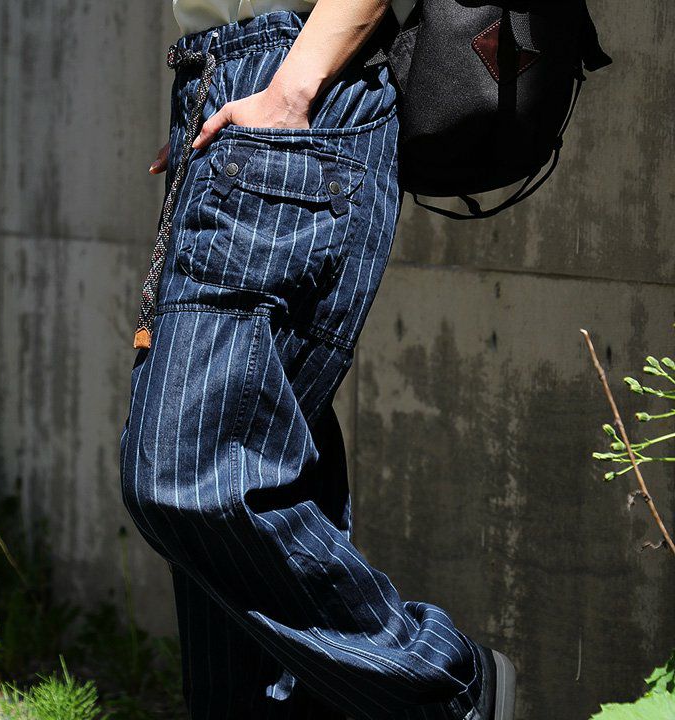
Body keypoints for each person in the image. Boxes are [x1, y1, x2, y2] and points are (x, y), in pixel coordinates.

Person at [120, 0, 516, 717]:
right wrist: (214, 96)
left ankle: (443, 685)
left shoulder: (292, 84)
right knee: (252, 470)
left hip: (300, 78)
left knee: (187, 472)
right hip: (233, 87)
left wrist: (291, 86)